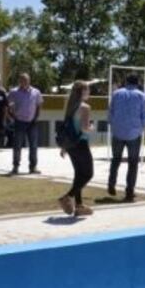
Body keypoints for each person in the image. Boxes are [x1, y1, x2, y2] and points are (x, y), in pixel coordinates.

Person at [107, 74, 145, 202]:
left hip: (118, 132)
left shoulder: (116, 93)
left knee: (116, 159)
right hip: (134, 133)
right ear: (137, 83)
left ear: (126, 81)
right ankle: (129, 191)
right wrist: (141, 128)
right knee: (133, 163)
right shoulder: (141, 95)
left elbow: (110, 111)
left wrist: (113, 125)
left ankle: (111, 184)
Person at [57, 81, 95, 216]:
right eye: (88, 90)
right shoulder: (85, 107)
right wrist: (91, 128)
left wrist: (64, 147)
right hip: (81, 144)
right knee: (89, 174)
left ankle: (79, 206)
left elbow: (67, 128)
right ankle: (67, 197)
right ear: (82, 92)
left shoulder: (70, 106)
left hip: (71, 145)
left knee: (79, 175)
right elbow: (85, 128)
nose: (89, 92)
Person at [8, 72, 43, 175]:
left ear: (29, 80)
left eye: (26, 80)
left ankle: (33, 167)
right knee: (17, 145)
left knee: (33, 146)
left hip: (32, 122)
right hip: (19, 122)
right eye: (22, 80)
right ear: (19, 81)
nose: (24, 82)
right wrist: (12, 117)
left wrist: (36, 117)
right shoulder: (14, 92)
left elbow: (39, 105)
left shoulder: (36, 92)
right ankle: (15, 167)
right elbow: (8, 106)